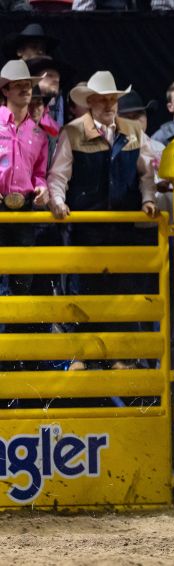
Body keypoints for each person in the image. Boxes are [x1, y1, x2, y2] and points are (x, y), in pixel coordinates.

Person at [46, 71, 159, 370]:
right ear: (91, 102)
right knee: (84, 290)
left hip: (122, 227)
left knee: (123, 291)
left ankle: (122, 357)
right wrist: (57, 201)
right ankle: (83, 356)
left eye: (113, 100)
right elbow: (59, 175)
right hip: (87, 228)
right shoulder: (71, 132)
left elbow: (146, 172)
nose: (109, 105)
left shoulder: (133, 131)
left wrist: (148, 198)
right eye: (104, 100)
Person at [0, 60, 50, 370]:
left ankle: (15, 360)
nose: (25, 88)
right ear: (5, 90)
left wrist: (42, 188)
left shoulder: (39, 133)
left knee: (23, 282)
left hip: (26, 210)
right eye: (19, 84)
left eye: (28, 84)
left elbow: (40, 172)